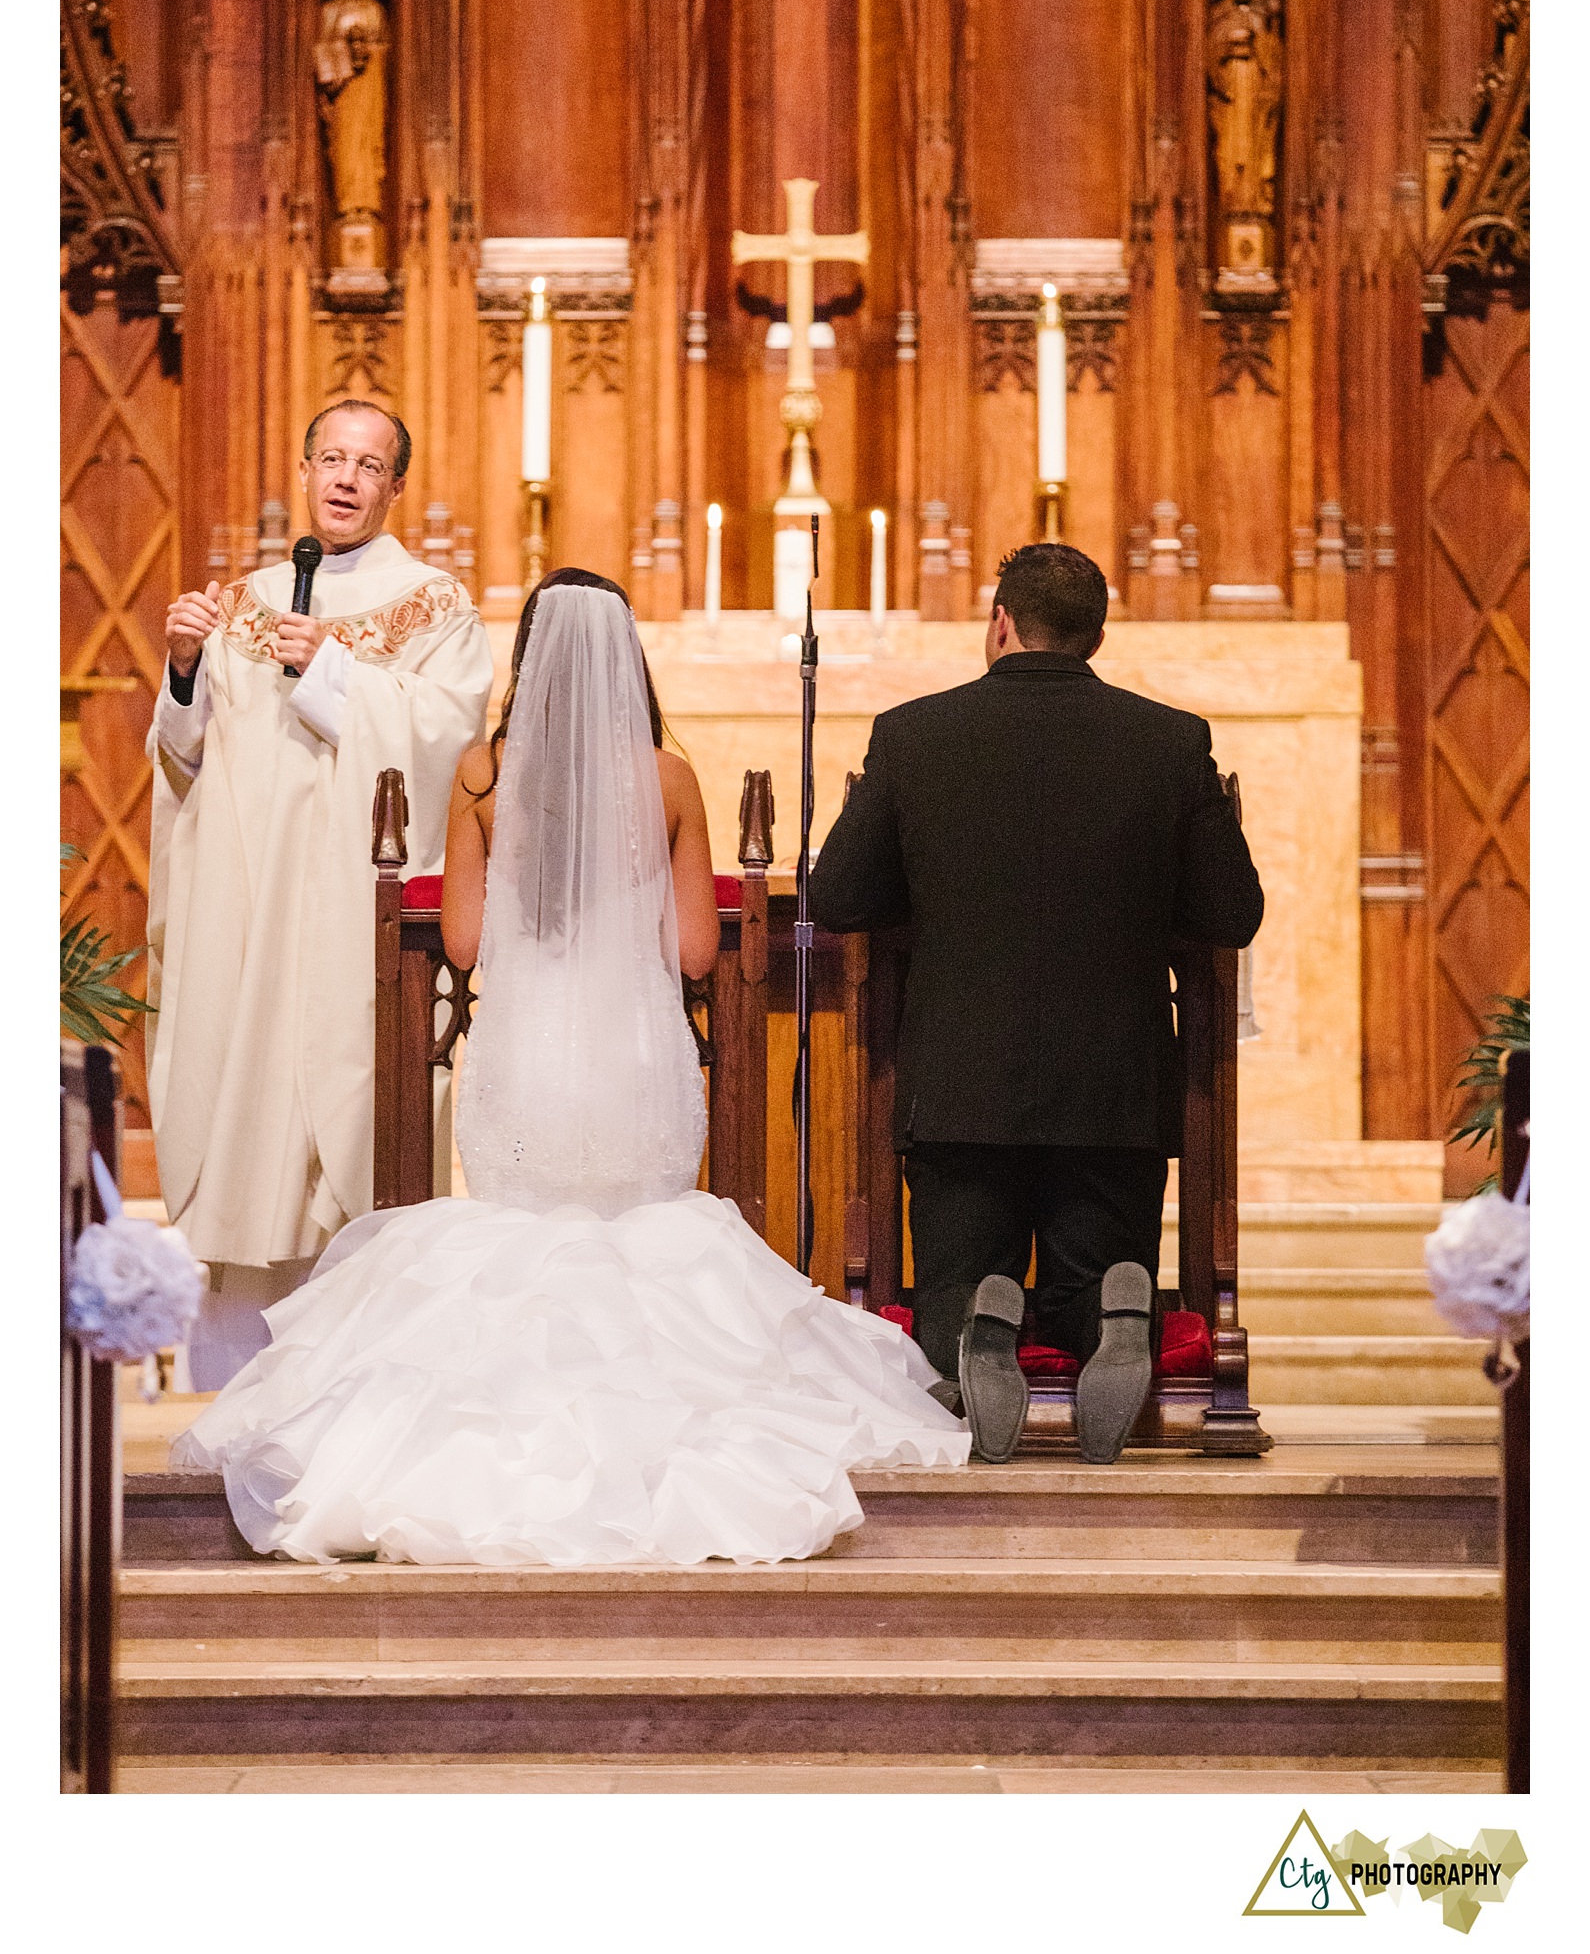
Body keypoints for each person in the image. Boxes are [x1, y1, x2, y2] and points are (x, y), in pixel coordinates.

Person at [172, 573, 966, 1564]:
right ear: (625, 656)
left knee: (521, 1243)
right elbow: (691, 951)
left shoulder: (480, 774)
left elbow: (461, 942)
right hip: (632, 1059)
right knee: (645, 1244)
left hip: (528, 1058)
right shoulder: (666, 777)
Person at [809, 542, 1265, 1466]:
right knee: (1090, 1264)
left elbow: (840, 897)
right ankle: (1112, 1311)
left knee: (954, 1273)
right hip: (1114, 1089)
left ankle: (973, 1322)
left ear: (1000, 621)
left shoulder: (914, 734)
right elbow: (1231, 912)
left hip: (961, 1083)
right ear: (1096, 634)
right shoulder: (1171, 740)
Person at [147, 401, 494, 1388]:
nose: (346, 479)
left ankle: (361, 1379)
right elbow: (186, 762)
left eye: (369, 465)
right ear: (303, 470)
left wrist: (333, 671)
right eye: (331, 459)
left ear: (395, 486)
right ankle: (235, 1377)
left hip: (355, 919)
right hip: (250, 920)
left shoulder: (433, 602)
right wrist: (181, 674)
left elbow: (449, 742)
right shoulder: (245, 600)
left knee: (346, 1122)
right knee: (247, 1121)